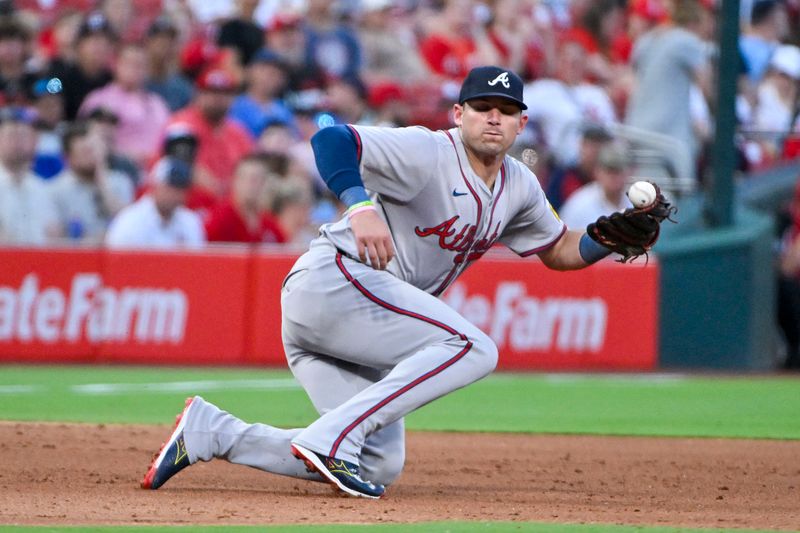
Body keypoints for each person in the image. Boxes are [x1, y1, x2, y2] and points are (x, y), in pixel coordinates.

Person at [141, 66, 669, 498]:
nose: (494, 117)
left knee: (380, 461)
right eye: (483, 107)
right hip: (338, 280)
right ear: (458, 114)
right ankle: (328, 439)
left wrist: (608, 238)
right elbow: (331, 139)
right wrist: (361, 205)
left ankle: (212, 433)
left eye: (506, 111)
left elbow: (558, 249)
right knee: (474, 347)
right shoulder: (428, 150)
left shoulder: (520, 185)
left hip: (352, 328)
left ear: (522, 123)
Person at [79, 44, 171, 166]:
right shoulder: (100, 100)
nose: (135, 69)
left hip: (157, 169)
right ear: (116, 65)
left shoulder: (157, 103)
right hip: (118, 167)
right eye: (129, 63)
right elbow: (91, 142)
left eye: (140, 65)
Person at [49, 121, 134, 244]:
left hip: (115, 257)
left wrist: (101, 177)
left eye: (95, 149)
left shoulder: (120, 181)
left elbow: (128, 222)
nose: (92, 156)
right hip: (76, 257)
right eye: (85, 151)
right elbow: (54, 240)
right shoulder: (56, 189)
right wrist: (94, 242)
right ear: (68, 157)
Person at [105, 156, 205, 249]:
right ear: (155, 185)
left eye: (181, 189)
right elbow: (116, 262)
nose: (176, 195)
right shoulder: (131, 221)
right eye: (170, 187)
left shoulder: (190, 222)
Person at [0, 106, 58, 245]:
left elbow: (55, 234)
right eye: (12, 135)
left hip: (38, 261)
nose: (18, 142)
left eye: (24, 136)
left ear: (35, 141)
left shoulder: (42, 188)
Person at [204, 154, 286, 244]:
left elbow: (283, 248)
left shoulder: (268, 224)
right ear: (235, 181)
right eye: (245, 178)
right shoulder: (219, 219)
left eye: (256, 179)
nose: (250, 185)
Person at [558, 142, 633, 230]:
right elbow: (564, 240)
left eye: (618, 171)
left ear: (629, 172)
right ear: (597, 172)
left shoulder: (634, 204)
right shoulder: (579, 205)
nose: (613, 177)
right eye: (609, 171)